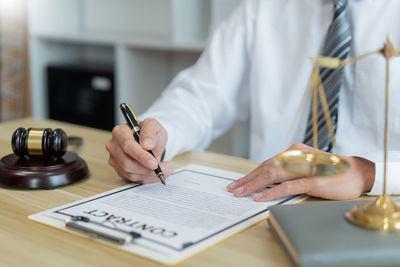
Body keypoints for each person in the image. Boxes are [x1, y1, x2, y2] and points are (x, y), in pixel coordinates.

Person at [106, 0, 400, 201]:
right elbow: (202, 97)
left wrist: (371, 174)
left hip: (381, 208)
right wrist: (156, 136)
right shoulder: (263, 7)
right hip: (266, 205)